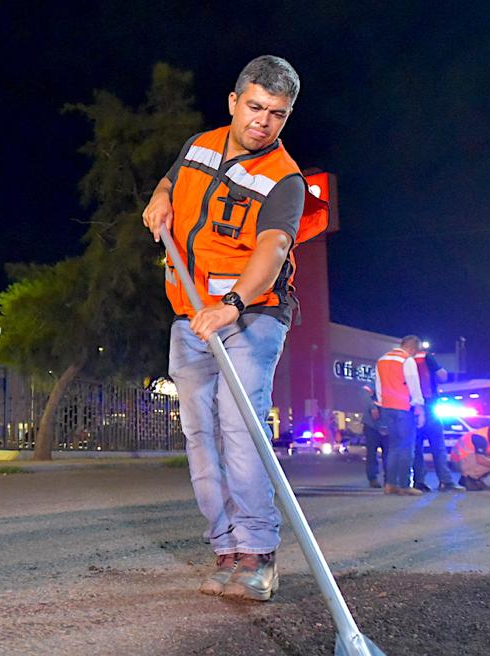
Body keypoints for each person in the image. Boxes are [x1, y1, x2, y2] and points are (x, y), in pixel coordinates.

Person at [141, 55, 327, 602]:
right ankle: (225, 548)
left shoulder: (284, 180)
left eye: (277, 114)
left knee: (239, 426)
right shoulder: (200, 144)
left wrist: (233, 301)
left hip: (253, 314)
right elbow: (170, 181)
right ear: (233, 100)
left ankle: (259, 554)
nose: (263, 122)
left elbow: (272, 248)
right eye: (255, 107)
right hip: (191, 313)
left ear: (286, 116)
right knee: (200, 434)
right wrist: (158, 201)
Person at [375, 336, 427, 495]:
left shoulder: (382, 359)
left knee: (393, 448)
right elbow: (413, 384)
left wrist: (382, 404)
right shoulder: (406, 360)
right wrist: (419, 407)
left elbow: (378, 385)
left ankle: (390, 484)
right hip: (404, 408)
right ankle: (405, 485)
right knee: (406, 448)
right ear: (412, 348)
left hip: (387, 408)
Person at [411, 348, 464, 491]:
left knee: (417, 448)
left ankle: (419, 481)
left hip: (411, 408)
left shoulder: (404, 359)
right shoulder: (425, 357)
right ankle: (445, 481)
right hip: (429, 405)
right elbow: (442, 376)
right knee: (438, 446)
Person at [449, 420, 490, 490]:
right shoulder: (480, 437)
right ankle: (467, 478)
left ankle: (476, 480)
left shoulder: (489, 436)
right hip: (459, 460)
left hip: (466, 457)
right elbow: (481, 460)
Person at [359, 382, 386, 488]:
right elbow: (364, 392)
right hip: (372, 425)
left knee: (388, 454)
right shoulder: (373, 384)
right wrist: (372, 407)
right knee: (371, 453)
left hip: (386, 423)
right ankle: (373, 478)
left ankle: (389, 479)